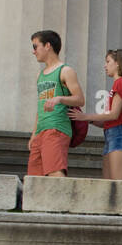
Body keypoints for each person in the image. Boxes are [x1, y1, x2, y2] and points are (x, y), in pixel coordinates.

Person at [26, 30, 84, 178]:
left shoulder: (65, 71)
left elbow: (80, 99)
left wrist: (59, 99)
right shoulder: (40, 75)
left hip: (57, 128)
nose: (33, 52)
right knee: (35, 177)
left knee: (55, 172)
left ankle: (65, 201)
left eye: (35, 46)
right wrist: (34, 134)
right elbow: (40, 107)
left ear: (47, 46)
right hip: (41, 130)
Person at [69, 49, 122, 180]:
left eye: (108, 61)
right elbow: (110, 120)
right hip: (112, 134)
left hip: (119, 134)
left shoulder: (121, 83)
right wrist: (87, 120)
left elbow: (113, 115)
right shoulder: (118, 84)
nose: (105, 65)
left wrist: (86, 117)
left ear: (118, 64)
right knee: (108, 184)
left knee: (116, 184)